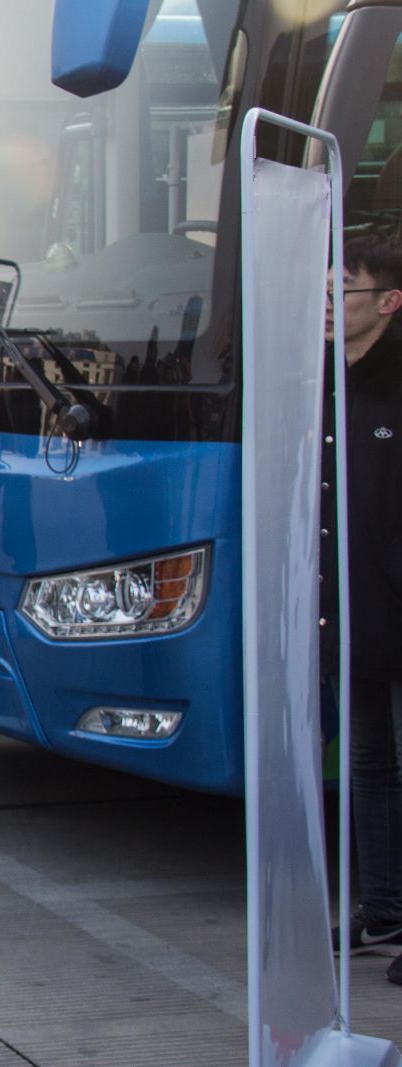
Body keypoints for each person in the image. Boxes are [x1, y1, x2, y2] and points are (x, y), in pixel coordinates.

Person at [323, 234, 402, 989]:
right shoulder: (322, 386)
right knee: (369, 763)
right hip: (350, 612)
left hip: (395, 606)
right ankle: (384, 908)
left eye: (343, 289)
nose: (328, 302)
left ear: (388, 302)